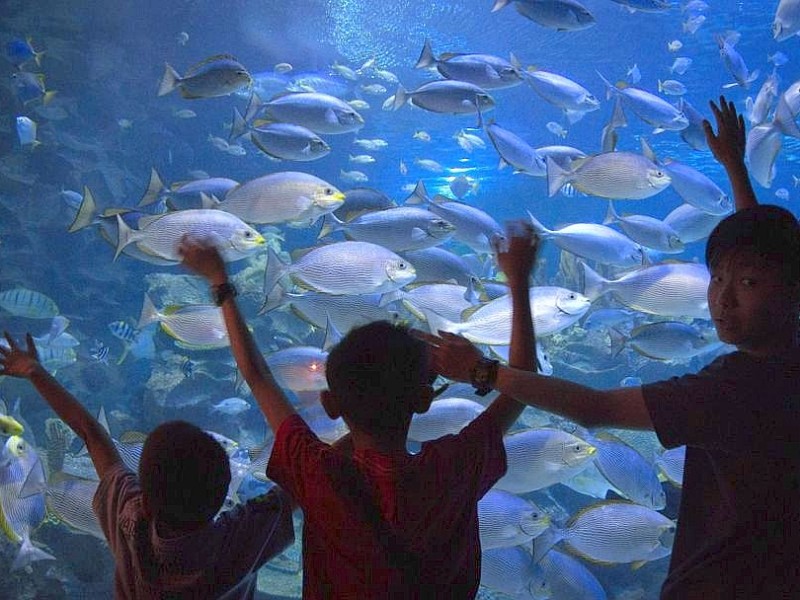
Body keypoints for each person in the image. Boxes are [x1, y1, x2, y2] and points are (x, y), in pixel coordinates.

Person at [419, 97, 800, 598]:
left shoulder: (731, 391)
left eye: (745, 284)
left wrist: (484, 371)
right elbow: (769, 262)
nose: (722, 298)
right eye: (718, 278)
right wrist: (734, 166)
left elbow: (595, 408)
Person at [177, 221, 538, 599]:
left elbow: (257, 376)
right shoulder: (453, 468)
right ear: (425, 400)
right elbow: (523, 384)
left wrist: (220, 282)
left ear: (330, 404)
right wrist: (518, 281)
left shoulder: (317, 472)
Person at [0, 337, 295, 598]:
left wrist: (35, 372)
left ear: (147, 500)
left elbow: (90, 432)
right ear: (223, 499)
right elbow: (306, 477)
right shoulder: (243, 541)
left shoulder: (130, 523)